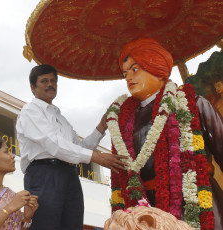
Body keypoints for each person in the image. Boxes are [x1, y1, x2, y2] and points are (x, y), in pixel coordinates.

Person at [106, 38, 223, 229]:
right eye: (125, 73)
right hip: (143, 213)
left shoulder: (193, 103)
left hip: (196, 203)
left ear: (158, 69)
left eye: (135, 69)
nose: (128, 78)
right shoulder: (123, 121)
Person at [16, 64, 127, 230]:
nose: (50, 85)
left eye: (53, 80)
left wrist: (101, 126)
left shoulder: (61, 118)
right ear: (33, 87)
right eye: (44, 81)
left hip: (69, 174)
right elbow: (53, 144)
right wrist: (96, 157)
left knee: (73, 225)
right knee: (45, 225)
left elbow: (80, 146)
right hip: (45, 174)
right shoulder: (30, 111)